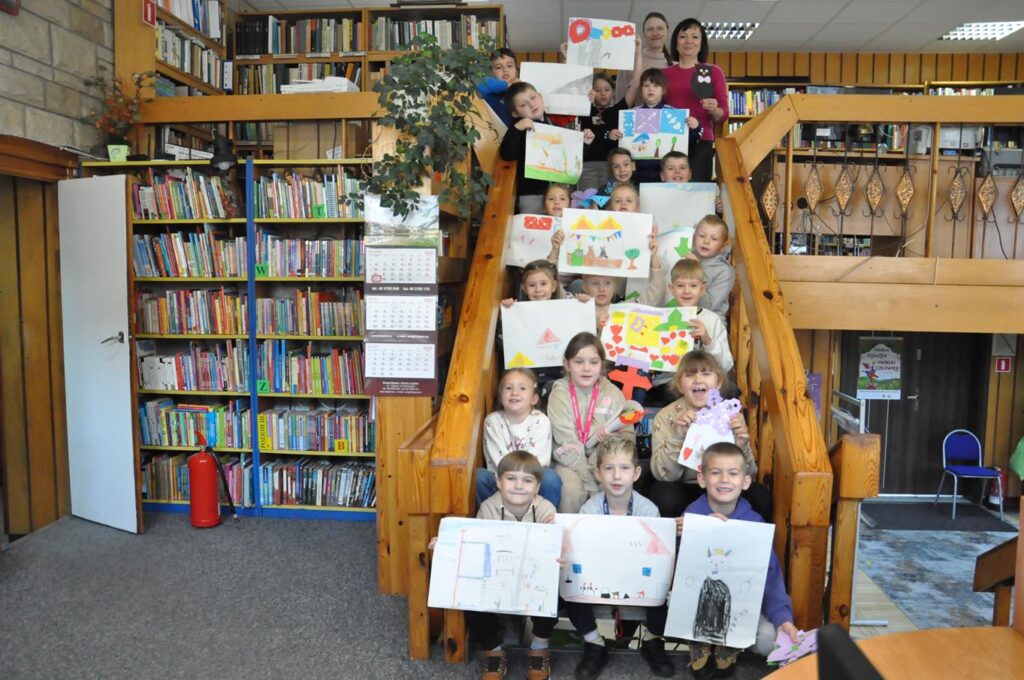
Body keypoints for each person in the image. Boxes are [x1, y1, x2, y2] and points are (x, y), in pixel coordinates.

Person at [681, 442, 799, 679]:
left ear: (745, 482)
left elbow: (770, 574)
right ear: (702, 479)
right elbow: (678, 571)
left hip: (738, 606)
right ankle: (700, 641)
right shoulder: (689, 518)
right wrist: (692, 533)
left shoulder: (754, 524)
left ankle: (729, 643)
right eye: (716, 472)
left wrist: (782, 617)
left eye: (733, 473)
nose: (724, 479)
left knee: (769, 639)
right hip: (699, 603)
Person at [568, 438, 675, 680]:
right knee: (570, 589)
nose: (617, 476)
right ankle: (595, 642)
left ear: (636, 473)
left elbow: (657, 557)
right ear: (598, 473)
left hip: (638, 578)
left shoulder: (649, 511)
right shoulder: (589, 511)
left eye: (624, 468)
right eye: (609, 468)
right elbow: (581, 551)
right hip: (598, 577)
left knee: (663, 588)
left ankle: (652, 641)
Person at [464, 451, 559, 680]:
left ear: (537, 487)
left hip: (532, 577)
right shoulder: (488, 508)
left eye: (527, 480)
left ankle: (539, 646)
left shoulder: (546, 509)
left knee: (554, 585)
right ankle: (493, 649)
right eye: (511, 478)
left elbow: (550, 549)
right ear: (498, 482)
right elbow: (478, 545)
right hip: (498, 575)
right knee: (469, 590)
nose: (518, 486)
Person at [647, 350, 770, 520]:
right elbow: (664, 476)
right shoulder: (666, 416)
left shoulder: (731, 415)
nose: (698, 379)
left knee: (759, 496)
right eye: (690, 375)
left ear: (718, 383)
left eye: (706, 373)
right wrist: (677, 436)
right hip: (684, 487)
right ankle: (680, 534)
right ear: (680, 386)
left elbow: (749, 473)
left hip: (723, 484)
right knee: (664, 494)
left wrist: (741, 445)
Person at [546, 332, 634, 513]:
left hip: (603, 461)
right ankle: (569, 531)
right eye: (579, 362)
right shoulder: (559, 394)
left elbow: (628, 439)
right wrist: (591, 484)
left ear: (602, 365)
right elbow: (566, 443)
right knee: (571, 489)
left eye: (594, 362)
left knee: (614, 482)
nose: (586, 368)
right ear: (567, 364)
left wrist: (610, 443)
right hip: (569, 462)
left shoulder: (613, 393)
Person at [499, 82, 595, 213]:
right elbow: (507, 154)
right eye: (523, 105)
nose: (531, 104)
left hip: (559, 195)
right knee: (532, 225)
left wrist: (585, 144)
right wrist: (517, 128)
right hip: (532, 194)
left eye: (533, 98)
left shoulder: (555, 127)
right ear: (515, 113)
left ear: (540, 97)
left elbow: (571, 160)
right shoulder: (519, 130)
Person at [478, 369, 561, 508]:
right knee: (480, 476)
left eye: (522, 388)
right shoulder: (492, 421)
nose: (515, 393)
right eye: (508, 388)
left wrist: (523, 482)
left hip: (532, 480)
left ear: (534, 399)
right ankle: (492, 515)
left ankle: (545, 516)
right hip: (502, 482)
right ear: (500, 397)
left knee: (550, 478)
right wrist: (513, 481)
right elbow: (498, 462)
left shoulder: (541, 420)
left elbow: (539, 462)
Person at [663, 19, 729, 182]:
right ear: (676, 43)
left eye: (694, 37)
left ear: (701, 44)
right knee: (668, 189)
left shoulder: (713, 72)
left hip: (701, 141)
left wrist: (714, 109)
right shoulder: (663, 74)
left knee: (698, 190)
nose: (688, 41)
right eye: (683, 36)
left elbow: (723, 115)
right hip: (669, 140)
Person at [608, 68, 700, 183]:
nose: (650, 89)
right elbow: (621, 147)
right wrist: (613, 136)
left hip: (667, 177)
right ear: (640, 90)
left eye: (656, 85)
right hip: (638, 175)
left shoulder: (675, 114)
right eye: (646, 85)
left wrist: (696, 128)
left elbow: (690, 141)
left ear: (664, 90)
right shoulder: (631, 115)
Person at [578, 39, 644, 192]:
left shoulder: (619, 109)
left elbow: (635, 84)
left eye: (607, 89)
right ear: (591, 91)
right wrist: (568, 57)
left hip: (613, 167)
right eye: (597, 90)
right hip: (587, 167)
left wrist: (638, 53)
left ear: (613, 91)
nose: (602, 93)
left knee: (612, 202)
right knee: (590, 204)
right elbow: (572, 85)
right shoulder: (583, 110)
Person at [614, 12, 673, 103]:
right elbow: (619, 101)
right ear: (643, 34)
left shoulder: (675, 65)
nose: (655, 33)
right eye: (650, 29)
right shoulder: (630, 62)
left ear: (668, 31)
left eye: (660, 28)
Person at [687, 214, 735, 320]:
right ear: (694, 239)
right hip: (685, 317)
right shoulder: (685, 257)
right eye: (702, 236)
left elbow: (709, 306)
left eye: (714, 238)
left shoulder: (725, 272)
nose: (706, 241)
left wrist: (697, 272)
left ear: (723, 246)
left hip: (710, 321)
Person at [477, 47, 519, 128]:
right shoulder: (490, 94)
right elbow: (478, 84)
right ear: (491, 73)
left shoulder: (523, 91)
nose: (505, 69)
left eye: (509, 65)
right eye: (498, 67)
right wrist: (508, 85)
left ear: (516, 72)